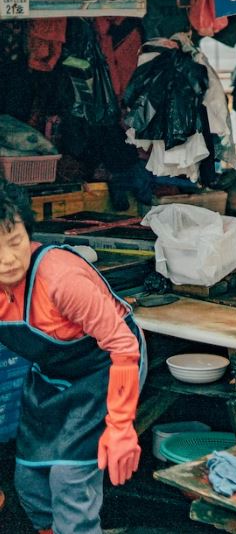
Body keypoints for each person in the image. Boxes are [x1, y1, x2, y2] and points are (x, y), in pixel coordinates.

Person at [0, 179, 146, 534]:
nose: (7, 259)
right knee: (30, 481)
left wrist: (121, 427)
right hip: (53, 373)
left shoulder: (60, 278)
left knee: (70, 476)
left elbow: (122, 346)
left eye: (15, 242)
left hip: (107, 367)